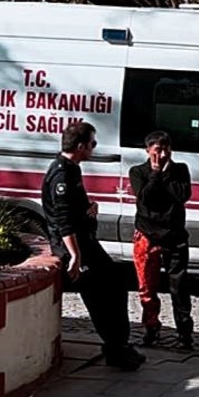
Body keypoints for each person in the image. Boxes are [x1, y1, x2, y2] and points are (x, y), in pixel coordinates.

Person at [42, 122, 144, 371]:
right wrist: (75, 256)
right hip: (75, 248)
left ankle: (119, 345)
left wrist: (89, 211)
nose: (94, 148)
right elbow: (63, 221)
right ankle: (116, 349)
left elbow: (73, 213)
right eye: (92, 144)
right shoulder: (62, 174)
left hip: (85, 242)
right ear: (80, 146)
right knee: (99, 297)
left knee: (116, 283)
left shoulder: (71, 169)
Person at [129, 130, 194, 350]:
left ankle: (185, 333)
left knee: (179, 287)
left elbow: (182, 195)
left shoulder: (180, 170)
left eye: (166, 148)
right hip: (147, 236)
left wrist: (165, 175)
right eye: (158, 150)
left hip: (174, 236)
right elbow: (145, 198)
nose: (163, 154)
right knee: (147, 287)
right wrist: (155, 174)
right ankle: (151, 328)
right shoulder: (138, 172)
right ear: (148, 151)